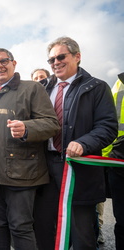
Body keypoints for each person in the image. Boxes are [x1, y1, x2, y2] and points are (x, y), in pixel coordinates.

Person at [33, 36, 117, 250]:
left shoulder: (97, 87)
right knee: (44, 228)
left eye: (61, 57)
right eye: (51, 60)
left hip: (77, 168)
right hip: (44, 169)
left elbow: (107, 127)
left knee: (82, 234)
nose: (55, 63)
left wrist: (84, 143)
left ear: (77, 56)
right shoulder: (41, 89)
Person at [0, 48, 60, 250]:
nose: (0, 66)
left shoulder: (32, 89)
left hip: (22, 174)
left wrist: (27, 128)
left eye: (4, 61)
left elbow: (52, 124)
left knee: (20, 227)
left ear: (14, 63)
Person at [102, 72, 124, 249]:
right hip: (118, 161)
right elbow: (108, 125)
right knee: (122, 220)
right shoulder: (118, 85)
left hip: (116, 158)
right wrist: (106, 160)